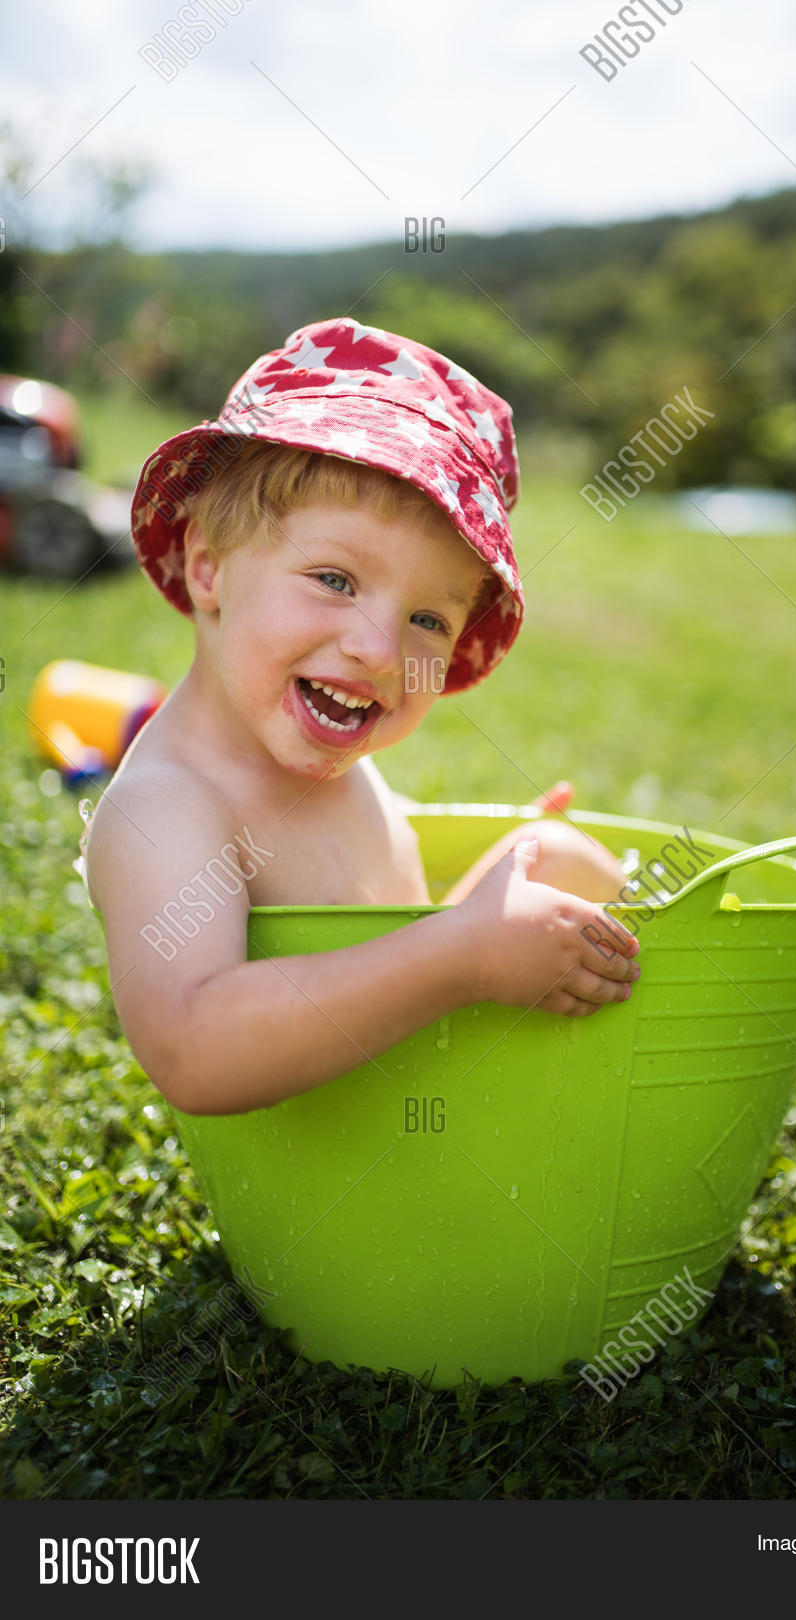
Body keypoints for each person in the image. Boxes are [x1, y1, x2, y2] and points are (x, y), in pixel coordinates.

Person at [78, 317, 640, 1116]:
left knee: (550, 854)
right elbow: (191, 1047)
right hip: (334, 1179)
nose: (380, 650)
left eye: (429, 621)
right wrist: (465, 952)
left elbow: (368, 885)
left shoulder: (328, 757)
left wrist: (492, 869)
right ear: (208, 567)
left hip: (422, 1097)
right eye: (335, 580)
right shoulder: (168, 805)